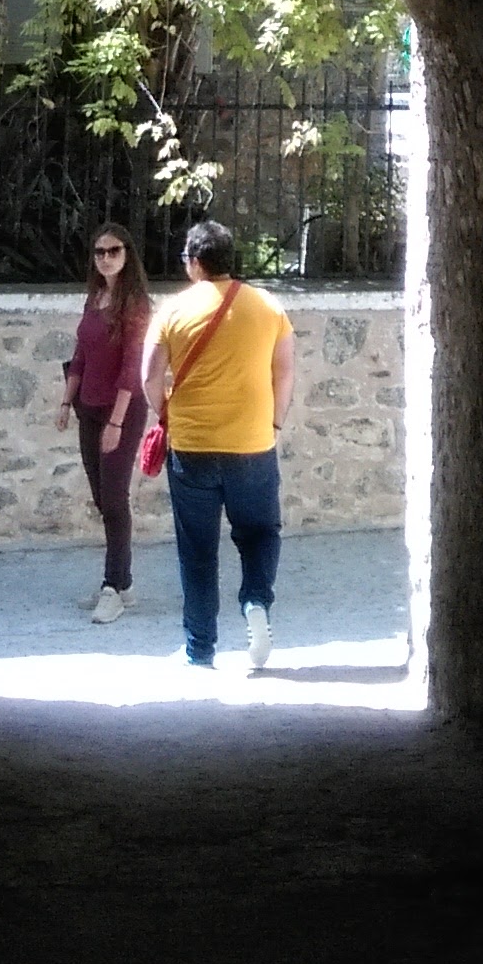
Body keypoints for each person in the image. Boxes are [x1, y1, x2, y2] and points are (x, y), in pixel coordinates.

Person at [141, 218, 294, 673]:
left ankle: (200, 649)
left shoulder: (172, 310)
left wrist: (166, 413)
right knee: (260, 533)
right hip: (253, 443)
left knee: (197, 550)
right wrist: (275, 421)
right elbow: (284, 370)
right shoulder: (268, 307)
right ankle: (256, 602)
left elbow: (149, 376)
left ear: (194, 262)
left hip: (192, 446)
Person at [55, 224, 151, 621]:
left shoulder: (136, 304)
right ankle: (123, 583)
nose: (106, 258)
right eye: (100, 252)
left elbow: (132, 366)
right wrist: (66, 401)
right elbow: (81, 355)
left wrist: (116, 423)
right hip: (89, 407)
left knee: (114, 498)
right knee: (101, 496)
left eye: (114, 251)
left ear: (127, 255)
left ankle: (112, 586)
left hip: (122, 410)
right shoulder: (94, 298)